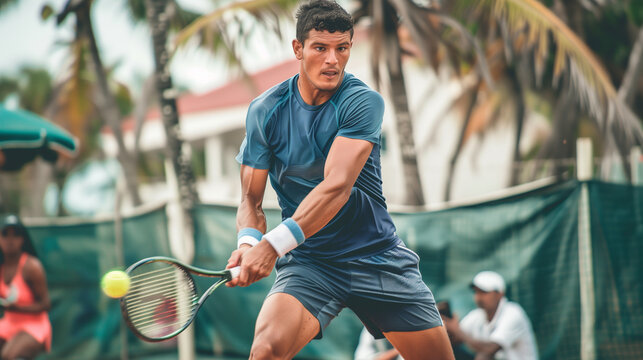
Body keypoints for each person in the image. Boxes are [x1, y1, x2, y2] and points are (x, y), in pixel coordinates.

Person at [224, 1, 454, 359]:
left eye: (341, 48)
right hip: (310, 263)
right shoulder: (265, 111)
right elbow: (251, 201)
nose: (332, 60)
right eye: (320, 48)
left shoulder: (362, 103)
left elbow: (336, 188)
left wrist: (271, 247)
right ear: (298, 49)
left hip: (377, 258)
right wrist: (249, 242)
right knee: (265, 351)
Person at [443, 271, 538, 360]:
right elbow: (456, 340)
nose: (478, 297)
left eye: (484, 292)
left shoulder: (513, 313)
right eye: (476, 292)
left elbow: (490, 348)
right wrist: (444, 324)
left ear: (500, 294)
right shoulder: (477, 315)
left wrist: (457, 331)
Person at [0, 214, 52, 360]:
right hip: (8, 323)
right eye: (5, 234)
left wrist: (17, 308)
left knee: (9, 355)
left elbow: (46, 304)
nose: (10, 240)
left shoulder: (31, 266)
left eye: (15, 235)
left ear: (22, 239)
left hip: (33, 325)